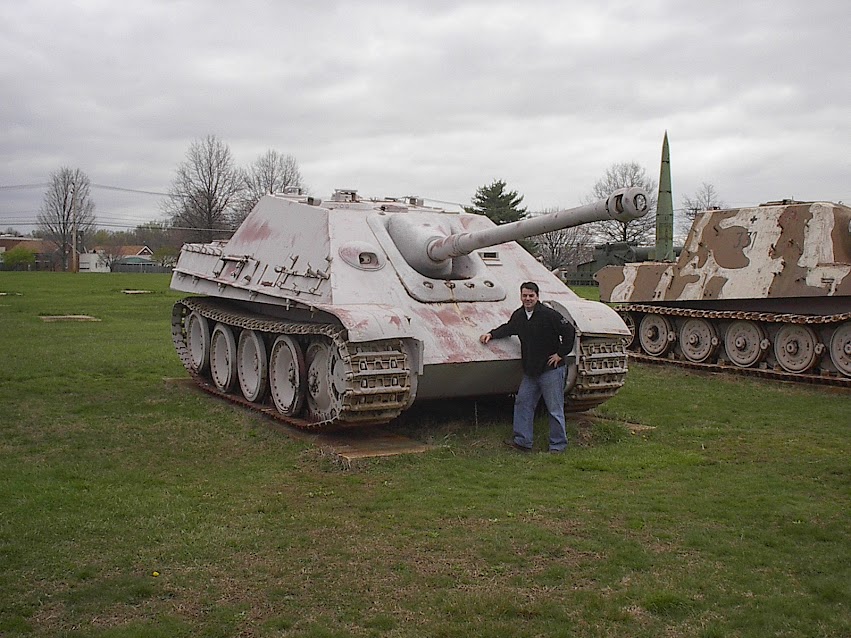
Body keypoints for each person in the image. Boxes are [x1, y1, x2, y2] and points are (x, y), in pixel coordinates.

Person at [479, 282, 576, 453]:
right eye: (525, 296)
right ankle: (523, 441)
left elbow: (569, 331)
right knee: (523, 403)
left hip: (551, 369)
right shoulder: (520, 315)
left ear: (537, 296)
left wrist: (561, 354)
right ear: (521, 296)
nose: (528, 299)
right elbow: (509, 328)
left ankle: (558, 445)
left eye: (531, 296)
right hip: (531, 370)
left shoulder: (549, 314)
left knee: (554, 409)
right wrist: (491, 334)